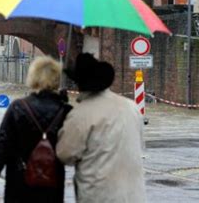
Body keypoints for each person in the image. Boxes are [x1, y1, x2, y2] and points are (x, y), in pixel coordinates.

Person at [0, 56, 72, 203]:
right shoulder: (65, 111)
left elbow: (0, 153)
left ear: (32, 77)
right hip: (52, 188)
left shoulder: (18, 108)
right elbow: (72, 153)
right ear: (56, 79)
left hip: (18, 188)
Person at [56, 53, 146, 203]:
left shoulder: (80, 114)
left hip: (98, 196)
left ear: (78, 83)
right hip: (135, 196)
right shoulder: (131, 107)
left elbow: (65, 154)